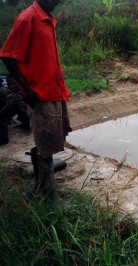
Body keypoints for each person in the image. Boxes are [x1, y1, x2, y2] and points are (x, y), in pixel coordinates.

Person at [0, 0, 71, 203]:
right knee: (46, 144)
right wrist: (27, 90)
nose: (59, 1)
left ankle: (40, 188)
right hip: (40, 94)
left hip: (54, 91)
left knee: (49, 140)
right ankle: (50, 196)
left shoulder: (48, 18)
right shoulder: (27, 18)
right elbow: (7, 56)